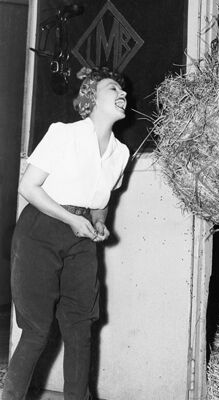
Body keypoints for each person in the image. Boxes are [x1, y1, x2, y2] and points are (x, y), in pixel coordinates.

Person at [2, 66, 130, 400]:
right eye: (113, 88)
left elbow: (102, 200)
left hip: (82, 239)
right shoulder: (64, 134)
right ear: (91, 97)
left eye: (124, 91)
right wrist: (69, 219)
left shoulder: (121, 153)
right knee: (37, 331)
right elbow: (29, 187)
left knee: (80, 329)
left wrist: (99, 221)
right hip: (40, 232)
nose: (123, 94)